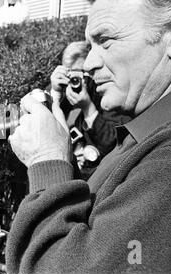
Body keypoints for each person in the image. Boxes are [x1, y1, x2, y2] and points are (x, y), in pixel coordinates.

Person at [6, 0, 171, 273]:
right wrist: (63, 157)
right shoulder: (162, 132)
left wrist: (46, 162)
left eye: (105, 40)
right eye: (91, 45)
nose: (89, 64)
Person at [49, 41, 132, 179]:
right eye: (70, 76)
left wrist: (88, 108)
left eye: (80, 75)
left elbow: (114, 143)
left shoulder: (109, 95)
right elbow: (46, 131)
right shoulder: (61, 93)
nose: (75, 82)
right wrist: (56, 93)